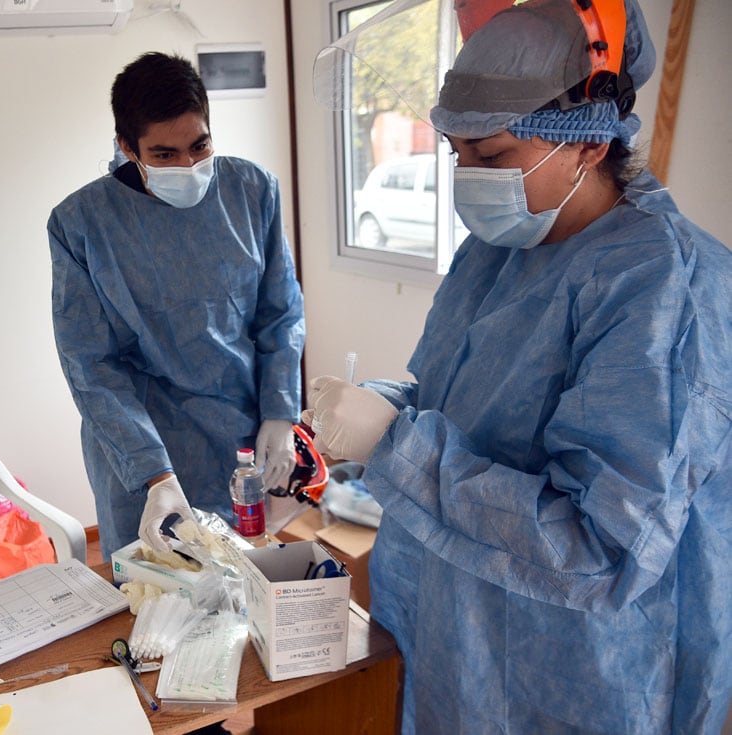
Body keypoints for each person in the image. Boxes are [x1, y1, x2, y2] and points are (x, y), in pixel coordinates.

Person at [304, 0, 732, 732]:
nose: (468, 177)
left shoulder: (663, 289)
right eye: (456, 153)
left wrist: (397, 445)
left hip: (577, 675)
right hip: (456, 635)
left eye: (492, 156)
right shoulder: (500, 244)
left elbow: (600, 551)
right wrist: (377, 406)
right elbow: (456, 398)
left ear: (588, 144)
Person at [48, 52, 306, 562]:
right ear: (128, 147)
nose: (188, 167)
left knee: (237, 587)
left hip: (238, 436)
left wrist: (279, 411)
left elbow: (280, 313)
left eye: (200, 145)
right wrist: (155, 474)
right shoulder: (81, 223)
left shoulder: (252, 191)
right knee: (154, 597)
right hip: (141, 447)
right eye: (164, 155)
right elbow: (91, 366)